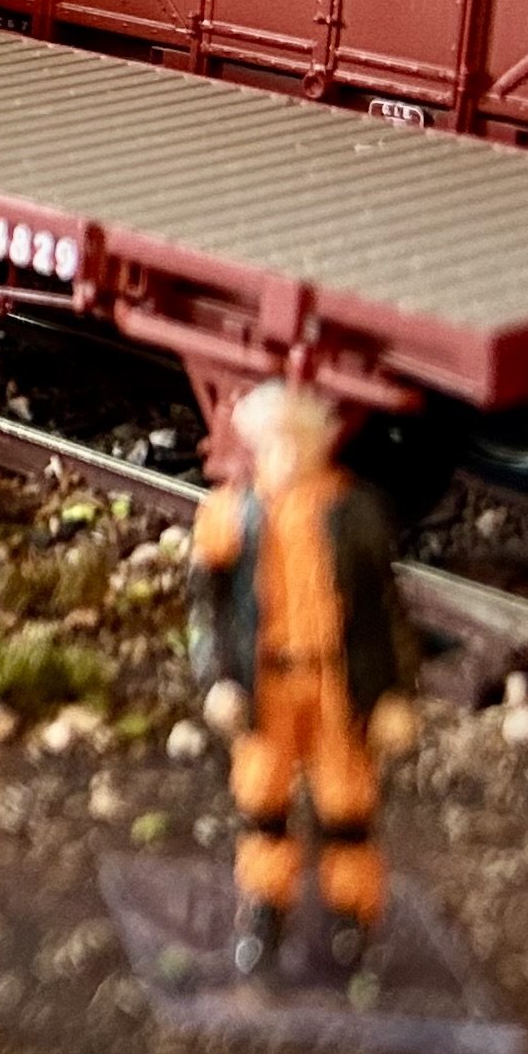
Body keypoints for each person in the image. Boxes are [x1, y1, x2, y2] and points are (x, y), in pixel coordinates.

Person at [188, 377, 420, 980]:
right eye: (275, 440)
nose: (287, 452)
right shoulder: (226, 514)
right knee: (263, 799)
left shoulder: (356, 514)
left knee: (347, 802)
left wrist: (394, 694)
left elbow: (385, 611)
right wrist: (216, 678)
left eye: (299, 439)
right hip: (266, 683)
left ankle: (352, 918)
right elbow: (207, 610)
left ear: (323, 443)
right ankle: (265, 908)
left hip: (335, 683)